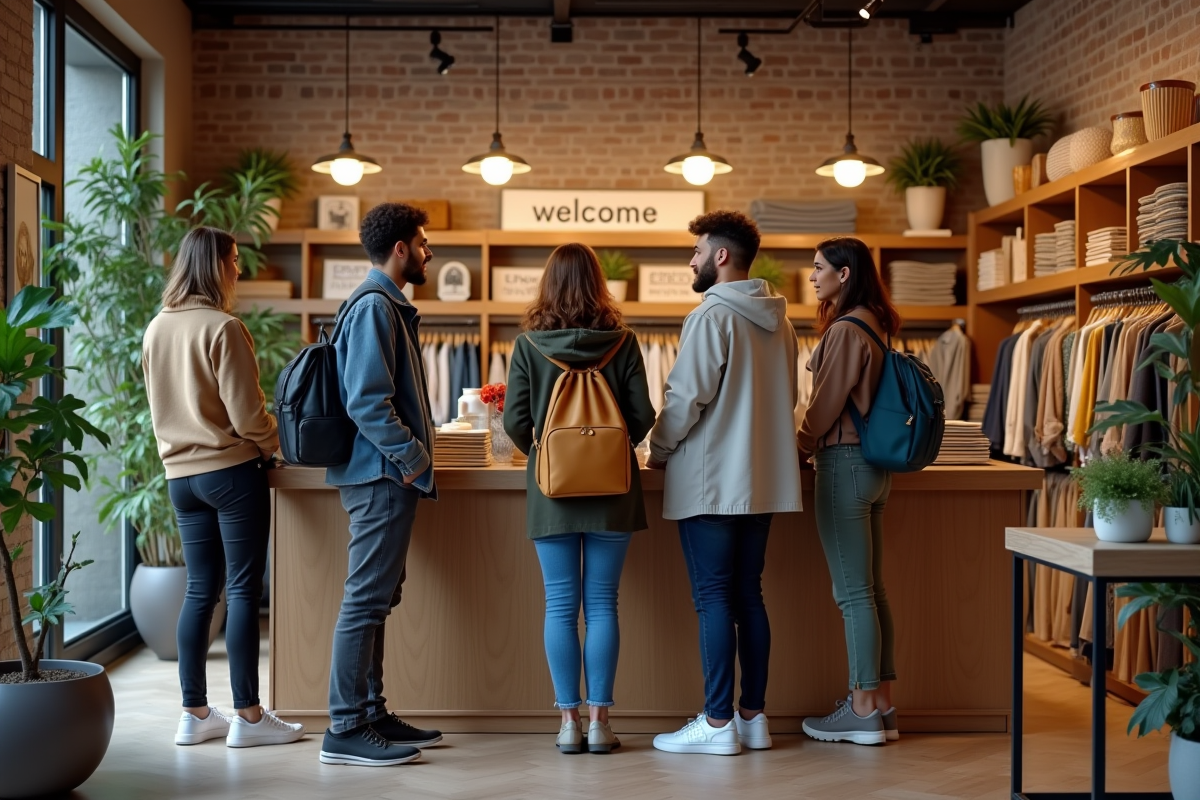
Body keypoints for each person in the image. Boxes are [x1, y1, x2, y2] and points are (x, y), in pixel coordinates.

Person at [647, 210, 803, 756]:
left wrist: (658, 450)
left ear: (720, 256)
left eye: (696, 250)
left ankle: (716, 725)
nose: (690, 259)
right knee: (748, 596)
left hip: (711, 481)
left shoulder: (710, 317)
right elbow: (784, 401)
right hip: (762, 479)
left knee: (713, 597)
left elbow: (685, 399)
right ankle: (752, 719)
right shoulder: (780, 321)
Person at [143, 226, 305, 749]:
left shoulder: (156, 328)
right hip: (231, 474)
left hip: (180, 479)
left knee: (199, 590)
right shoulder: (224, 327)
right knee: (240, 592)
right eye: (234, 260)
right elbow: (249, 417)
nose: (240, 269)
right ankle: (249, 718)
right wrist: (276, 444)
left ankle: (193, 714)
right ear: (214, 266)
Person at [503, 243, 656, 755]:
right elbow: (642, 416)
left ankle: (567, 724)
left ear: (547, 285)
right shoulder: (624, 342)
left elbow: (514, 422)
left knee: (561, 605)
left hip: (553, 495)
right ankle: (600, 724)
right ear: (598, 284)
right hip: (614, 492)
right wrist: (608, 452)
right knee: (604, 604)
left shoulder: (529, 345)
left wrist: (546, 455)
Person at [318, 203, 443, 768]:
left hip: (383, 474)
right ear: (401, 249)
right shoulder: (375, 307)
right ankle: (344, 727)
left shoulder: (386, 305)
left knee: (378, 600)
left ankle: (371, 712)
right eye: (422, 242)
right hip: (381, 475)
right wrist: (413, 458)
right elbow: (367, 400)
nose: (428, 252)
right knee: (365, 600)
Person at [797, 237, 902, 746]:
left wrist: (798, 446)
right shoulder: (877, 324)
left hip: (843, 464)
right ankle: (881, 705)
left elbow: (823, 409)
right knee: (873, 590)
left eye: (818, 269)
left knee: (853, 594)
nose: (812, 277)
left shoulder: (845, 330)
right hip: (875, 468)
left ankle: (861, 711)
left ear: (843, 272)